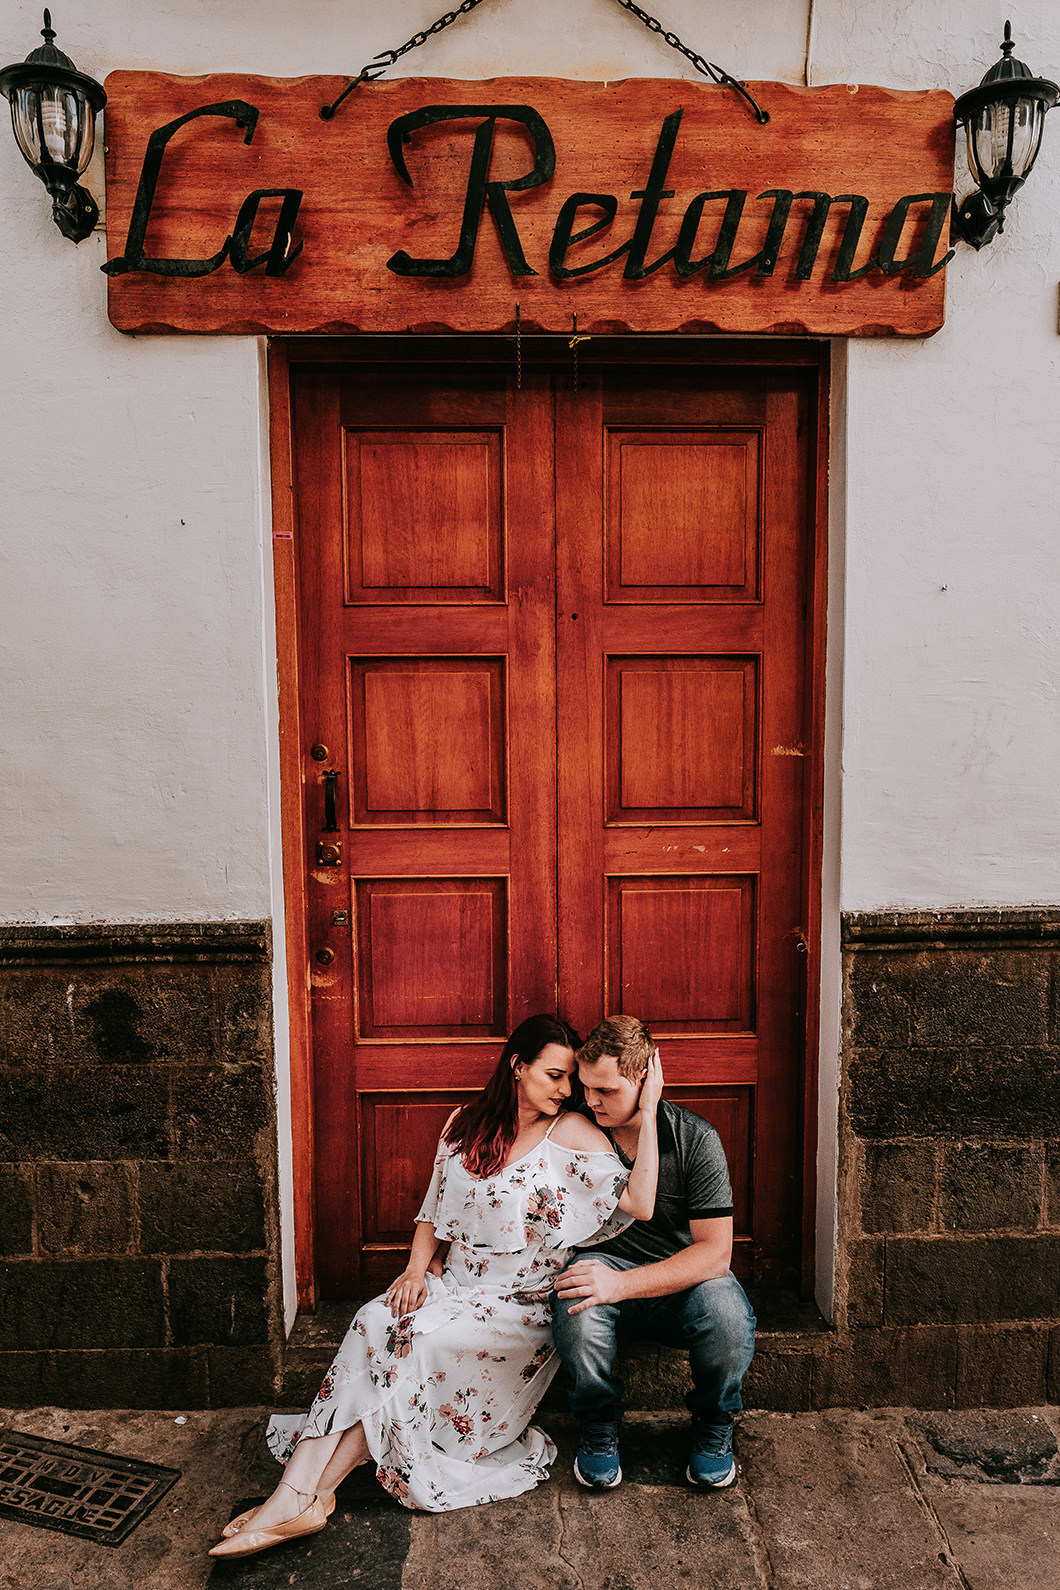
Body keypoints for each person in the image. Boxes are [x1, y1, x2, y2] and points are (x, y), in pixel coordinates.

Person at [208, 1013, 663, 1559]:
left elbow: (640, 1202)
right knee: (374, 1320)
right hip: (453, 1286)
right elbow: (432, 1211)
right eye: (556, 1076)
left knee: (409, 1348)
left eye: (572, 1079)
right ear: (517, 1068)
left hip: (517, 1307)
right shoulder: (463, 1125)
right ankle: (302, 1498)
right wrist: (415, 1270)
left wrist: (652, 1108)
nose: (568, 1091)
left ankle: (296, 1498)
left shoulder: (568, 1133)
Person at [552, 1015, 756, 1491]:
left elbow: (715, 1255)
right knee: (575, 1303)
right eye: (586, 1087)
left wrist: (622, 1284)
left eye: (607, 1090)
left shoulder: (694, 1139)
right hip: (601, 1269)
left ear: (644, 1080)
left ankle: (714, 1423)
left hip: (678, 1278)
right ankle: (598, 1423)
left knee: (728, 1313)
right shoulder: (576, 1134)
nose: (592, 1100)